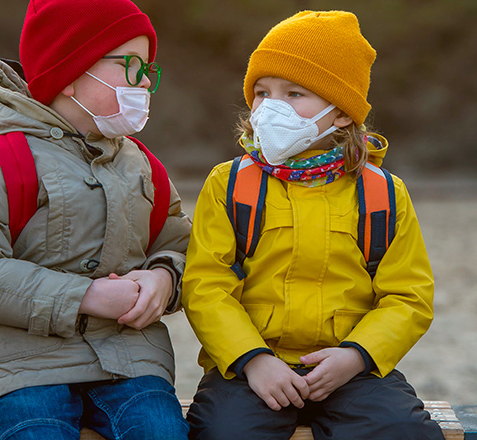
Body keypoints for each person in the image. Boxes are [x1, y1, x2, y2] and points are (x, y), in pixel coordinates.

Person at [181, 10, 444, 440]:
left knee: (401, 432)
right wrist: (251, 358)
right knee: (222, 432)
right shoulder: (228, 184)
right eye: (262, 92)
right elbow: (205, 286)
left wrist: (357, 356)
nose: (271, 108)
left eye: (295, 93)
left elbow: (408, 296)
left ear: (341, 113)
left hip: (351, 370)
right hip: (248, 370)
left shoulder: (383, 193)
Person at [0, 0, 191, 439]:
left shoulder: (143, 165)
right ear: (72, 73)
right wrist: (84, 296)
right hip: (18, 367)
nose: (145, 81)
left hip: (128, 361)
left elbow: (181, 243)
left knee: (161, 430)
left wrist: (165, 278)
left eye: (149, 68)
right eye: (130, 65)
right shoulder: (12, 161)